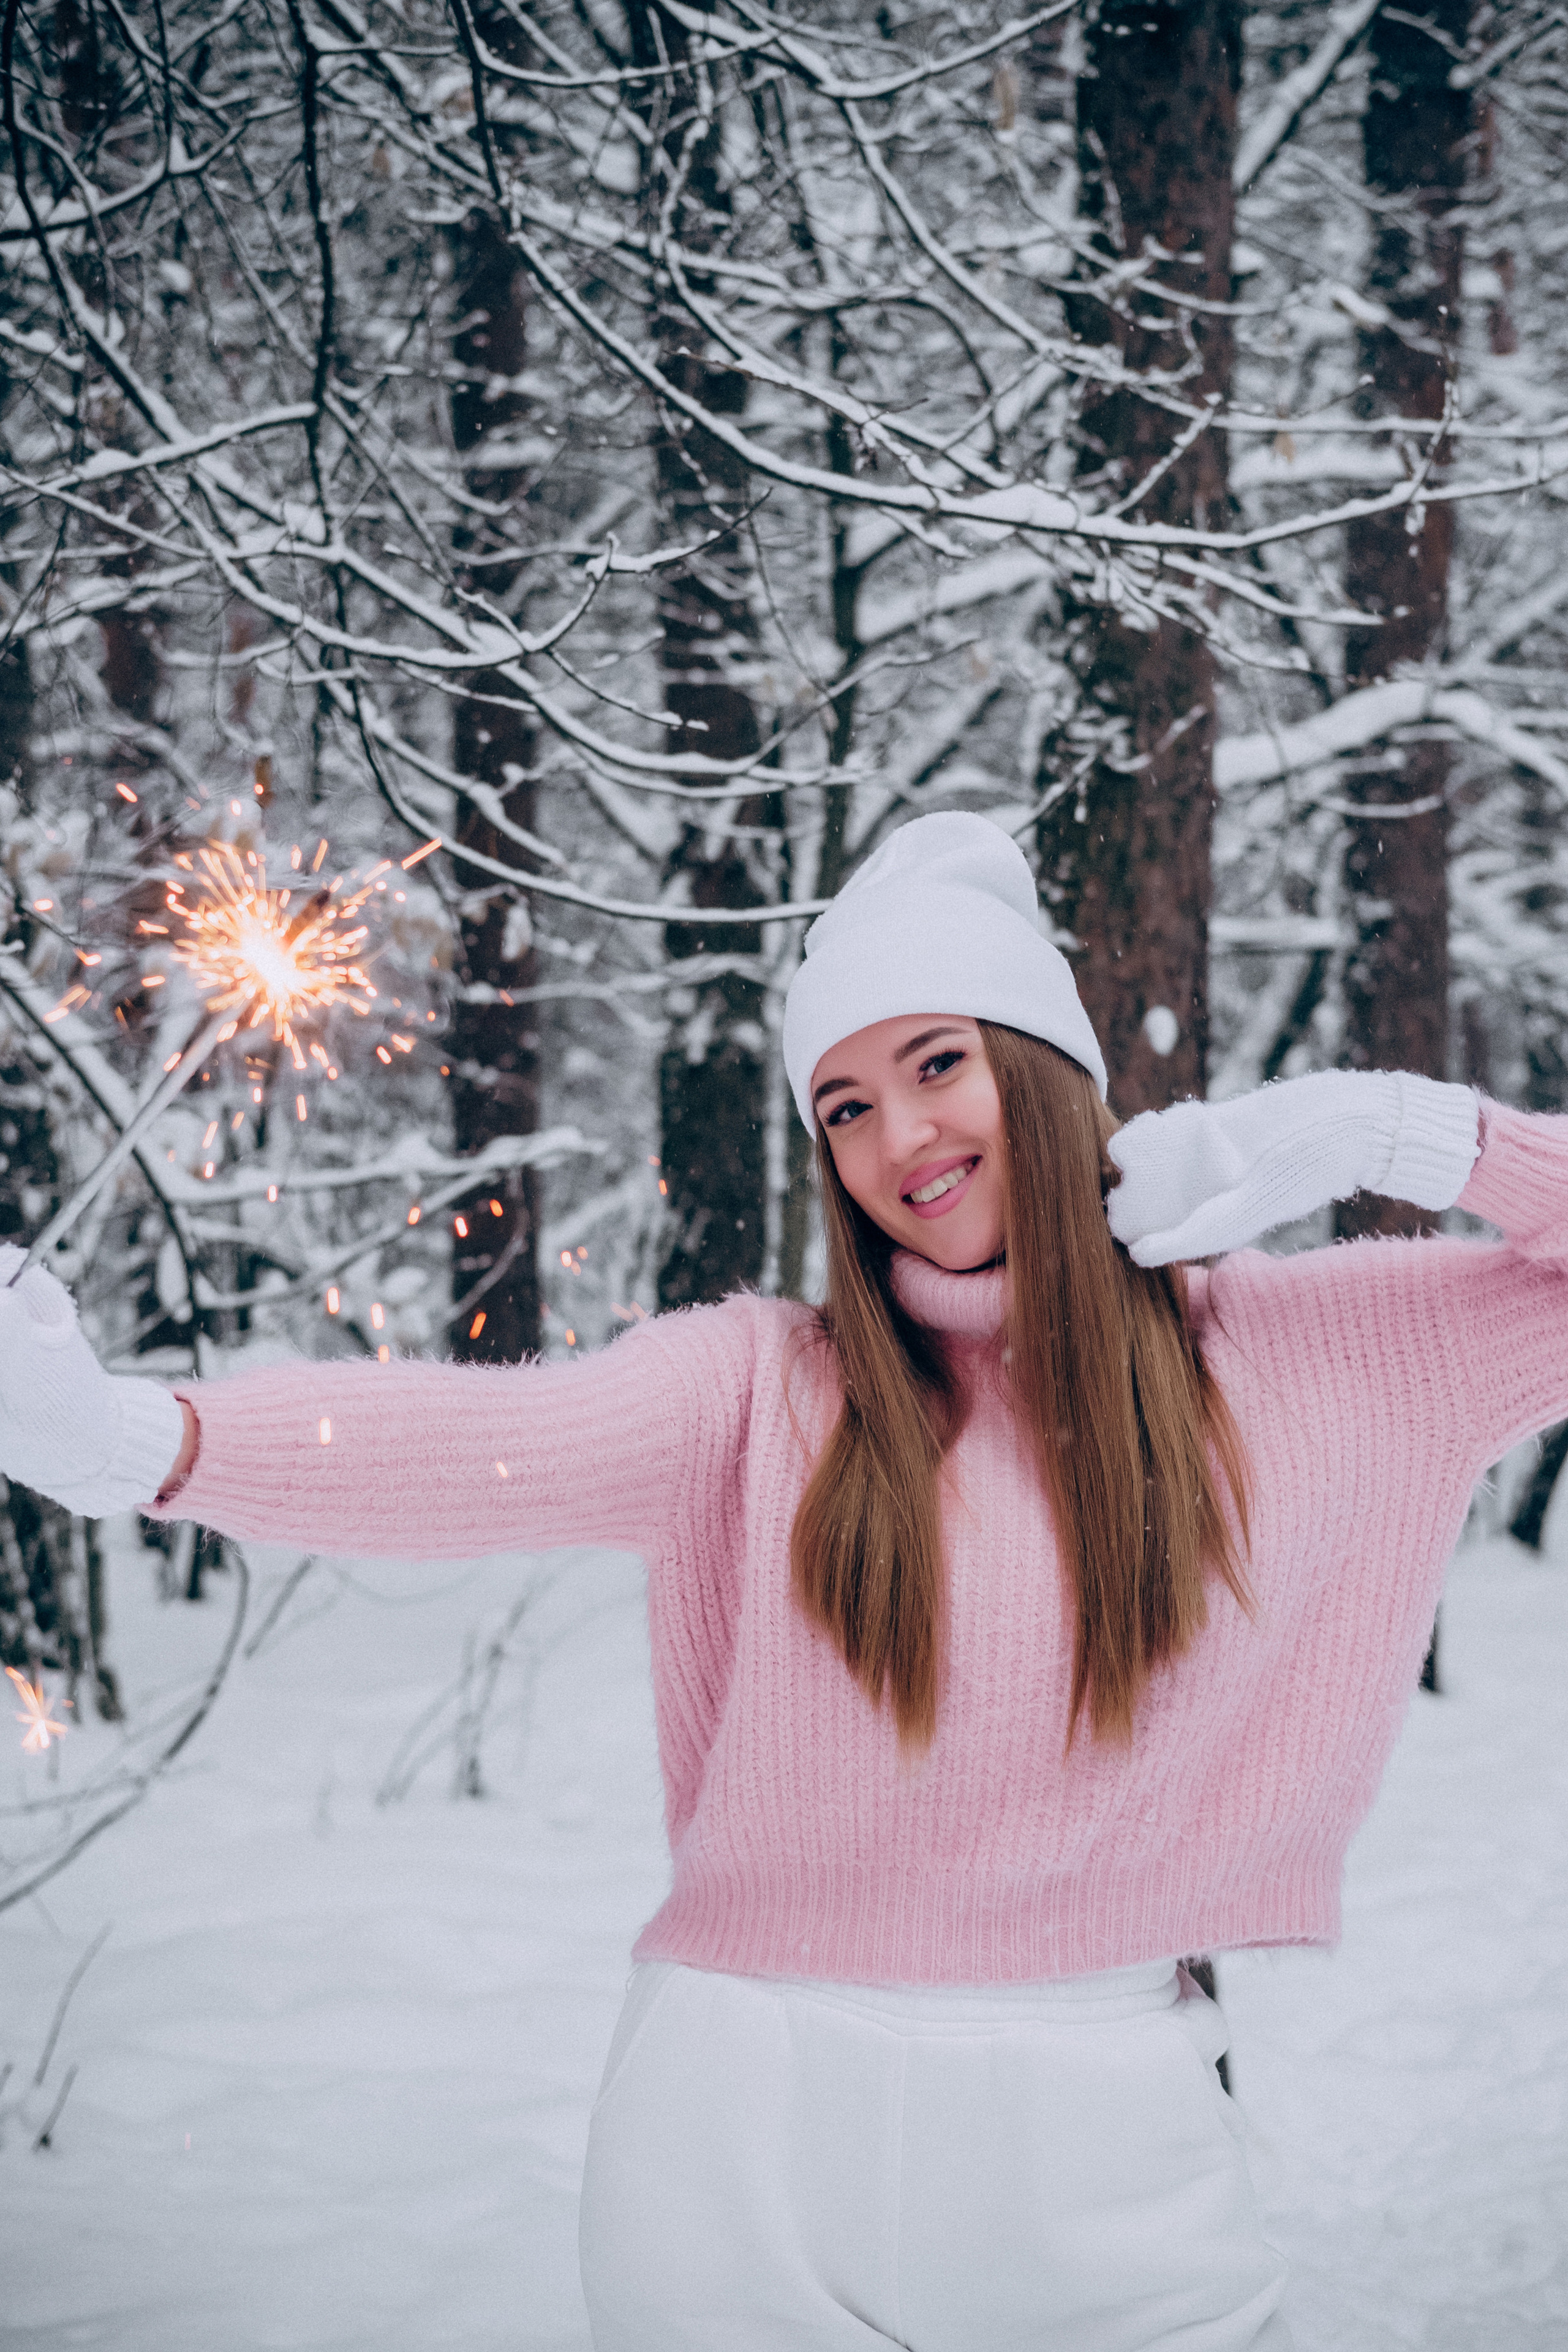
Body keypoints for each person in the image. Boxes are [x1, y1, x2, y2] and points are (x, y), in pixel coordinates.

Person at [2, 810, 1563, 2352]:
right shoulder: (764, 1391)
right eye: (843, 1106)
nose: (899, 1141)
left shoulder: (1323, 1358)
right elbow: (478, 1442)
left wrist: (1389, 1132)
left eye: (938, 1062)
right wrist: (137, 1439)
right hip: (736, 2150)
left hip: (1107, 2164)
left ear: (1046, 1067)